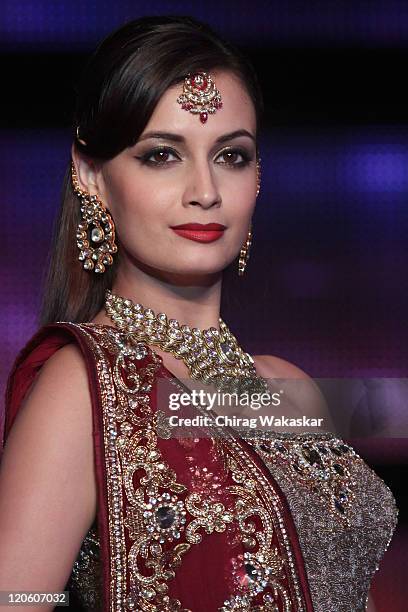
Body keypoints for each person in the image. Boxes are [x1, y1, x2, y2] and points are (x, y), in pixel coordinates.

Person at [0, 15, 398, 612]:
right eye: (162, 155)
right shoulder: (84, 387)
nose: (205, 190)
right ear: (93, 177)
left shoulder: (292, 390)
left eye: (232, 156)